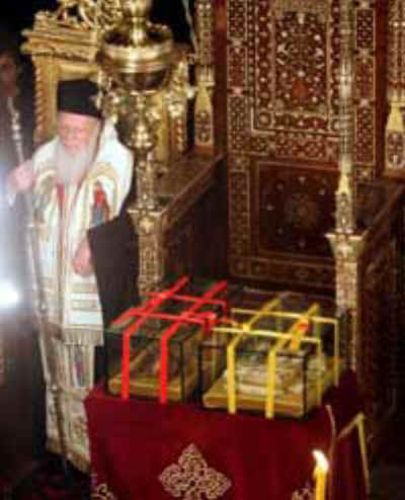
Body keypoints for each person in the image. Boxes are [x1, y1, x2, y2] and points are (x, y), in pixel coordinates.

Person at [7, 78, 135, 471]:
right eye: (64, 130)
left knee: (87, 378)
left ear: (97, 128)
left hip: (87, 291)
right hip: (50, 287)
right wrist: (17, 182)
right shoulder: (51, 152)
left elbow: (105, 199)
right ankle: (59, 446)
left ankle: (92, 458)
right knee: (53, 375)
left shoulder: (114, 156)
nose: (71, 139)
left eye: (79, 131)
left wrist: (91, 242)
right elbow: (25, 185)